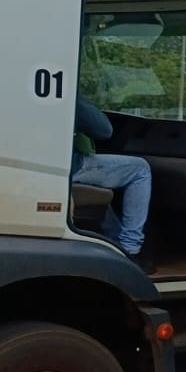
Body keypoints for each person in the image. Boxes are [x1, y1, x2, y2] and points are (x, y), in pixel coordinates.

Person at [74, 98, 154, 271]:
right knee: (140, 169)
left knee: (98, 191)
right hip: (72, 166)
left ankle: (114, 242)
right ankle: (131, 248)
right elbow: (104, 130)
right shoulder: (65, 91)